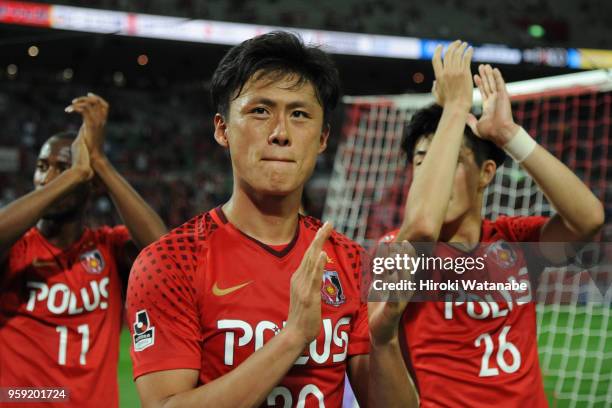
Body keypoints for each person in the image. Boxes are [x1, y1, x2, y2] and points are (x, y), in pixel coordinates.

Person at [127, 31, 417, 408]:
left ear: (323, 137)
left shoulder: (349, 261)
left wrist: (385, 339)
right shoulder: (170, 261)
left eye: (299, 115)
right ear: (222, 129)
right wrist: (292, 336)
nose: (280, 133)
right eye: (260, 111)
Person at [380, 41, 605, 406]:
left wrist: (509, 135)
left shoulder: (514, 241)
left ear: (485, 174)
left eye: (450, 158)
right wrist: (454, 107)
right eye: (422, 161)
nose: (431, 172)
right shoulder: (395, 250)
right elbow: (422, 225)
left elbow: (589, 218)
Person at [0, 94, 167, 407]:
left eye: (62, 168)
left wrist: (99, 162)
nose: (47, 178)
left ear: (93, 185)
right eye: (41, 167)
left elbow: (164, 252)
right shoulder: (16, 247)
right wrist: (75, 174)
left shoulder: (108, 247)